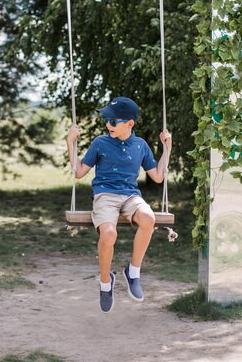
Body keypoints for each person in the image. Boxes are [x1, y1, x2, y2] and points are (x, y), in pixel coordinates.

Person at [66, 96, 171, 313]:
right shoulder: (100, 143)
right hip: (105, 195)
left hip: (131, 196)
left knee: (149, 218)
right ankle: (106, 282)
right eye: (107, 120)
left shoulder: (140, 145)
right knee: (109, 235)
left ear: (129, 124)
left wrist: (167, 148)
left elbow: (158, 176)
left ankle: (133, 272)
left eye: (113, 121)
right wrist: (70, 143)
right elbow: (79, 172)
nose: (108, 125)